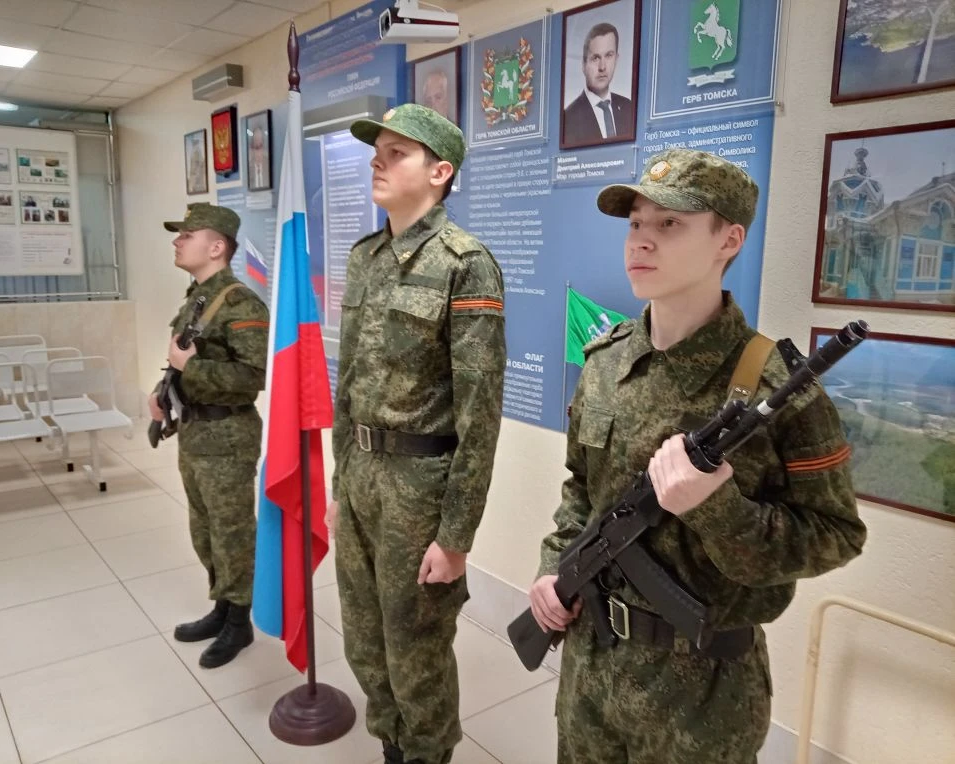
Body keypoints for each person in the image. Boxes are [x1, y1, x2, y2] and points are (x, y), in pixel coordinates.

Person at [528, 149, 867, 763]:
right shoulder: (605, 363)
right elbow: (581, 488)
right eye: (636, 223)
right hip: (591, 667)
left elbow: (836, 535)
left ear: (728, 240)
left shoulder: (779, 389)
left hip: (703, 695)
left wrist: (717, 508)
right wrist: (555, 566)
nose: (641, 240)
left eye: (670, 223)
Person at [328, 103, 506, 764]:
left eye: (395, 152)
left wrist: (456, 536)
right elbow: (347, 385)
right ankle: (392, 747)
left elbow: (480, 413)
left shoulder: (466, 263)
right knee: (364, 640)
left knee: (417, 650)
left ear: (439, 172)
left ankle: (426, 753)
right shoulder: (366, 258)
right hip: (361, 477)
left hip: (419, 487)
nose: (377, 161)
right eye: (376, 151)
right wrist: (339, 486)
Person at [149, 203, 269, 669]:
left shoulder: (241, 303)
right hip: (196, 431)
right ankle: (222, 606)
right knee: (204, 528)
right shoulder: (197, 299)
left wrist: (192, 368)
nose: (177, 241)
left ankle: (239, 621)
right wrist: (164, 392)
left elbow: (252, 377)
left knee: (231, 530)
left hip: (227, 435)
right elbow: (183, 361)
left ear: (216, 247)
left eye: (187, 234)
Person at [562, 22, 634, 146]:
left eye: (609, 55)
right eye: (595, 58)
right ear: (583, 65)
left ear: (616, 59)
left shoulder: (629, 107)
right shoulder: (568, 118)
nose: (602, 67)